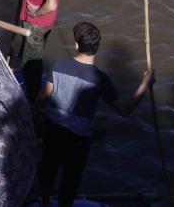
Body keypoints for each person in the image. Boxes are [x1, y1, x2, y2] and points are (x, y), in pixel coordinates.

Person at [37, 22, 155, 207]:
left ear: (76, 45)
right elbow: (124, 111)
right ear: (97, 48)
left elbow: (44, 96)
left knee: (47, 173)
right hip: (78, 140)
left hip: (54, 131)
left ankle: (44, 203)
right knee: (70, 183)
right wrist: (144, 84)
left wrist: (35, 110)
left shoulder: (59, 63)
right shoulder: (101, 79)